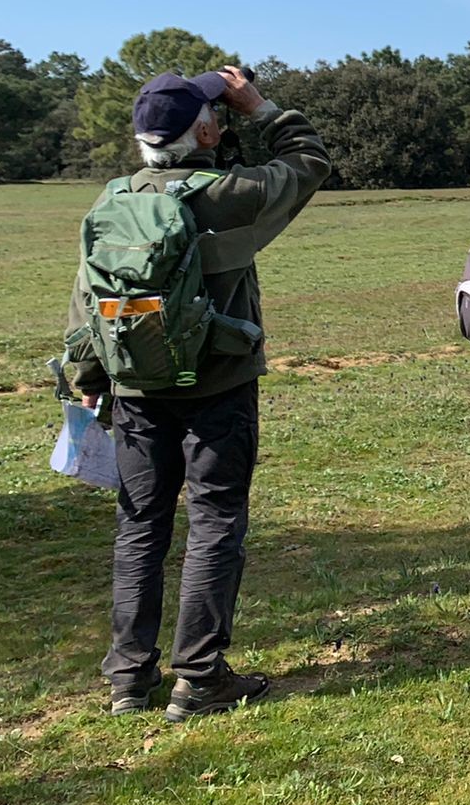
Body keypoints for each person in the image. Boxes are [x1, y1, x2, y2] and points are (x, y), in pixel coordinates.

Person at [65, 67, 330, 720]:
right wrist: (260, 106)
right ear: (207, 130)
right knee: (214, 523)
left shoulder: (110, 202)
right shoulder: (230, 194)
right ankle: (200, 676)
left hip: (134, 392)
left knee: (140, 527)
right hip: (218, 387)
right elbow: (310, 161)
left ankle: (129, 676)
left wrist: (92, 389)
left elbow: (86, 305)